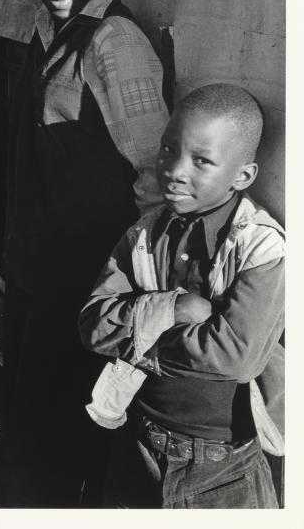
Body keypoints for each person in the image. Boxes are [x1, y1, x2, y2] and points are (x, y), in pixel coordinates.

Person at [0, 0, 169, 507]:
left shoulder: (116, 45)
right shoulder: (51, 32)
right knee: (36, 423)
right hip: (42, 273)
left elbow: (155, 179)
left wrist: (135, 293)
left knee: (73, 437)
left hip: (88, 284)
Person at [79, 83, 284, 509]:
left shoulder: (260, 248)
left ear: (242, 176)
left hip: (222, 468)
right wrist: (174, 308)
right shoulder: (144, 234)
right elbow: (92, 325)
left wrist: (139, 332)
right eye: (168, 149)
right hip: (139, 439)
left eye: (202, 161)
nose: (174, 169)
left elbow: (235, 357)